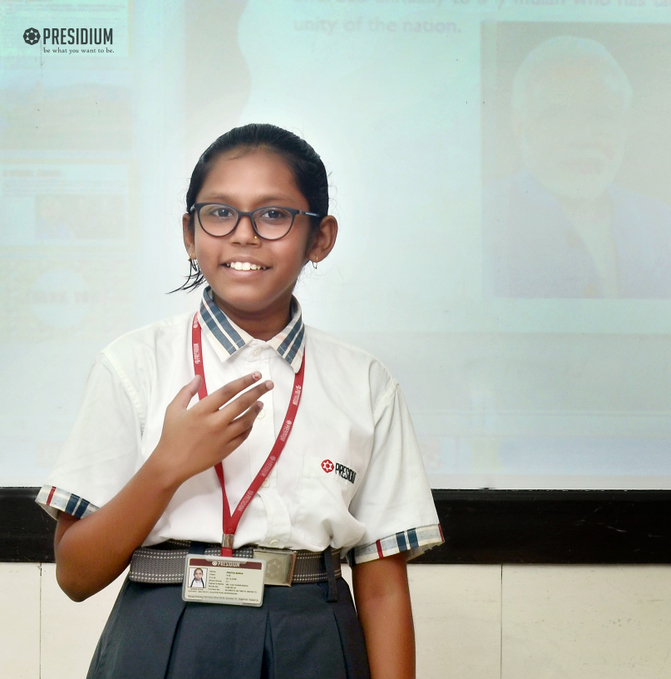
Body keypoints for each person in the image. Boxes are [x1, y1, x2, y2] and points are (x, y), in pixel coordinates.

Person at [36, 123, 442, 678]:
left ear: (320, 237)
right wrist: (167, 466)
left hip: (313, 635)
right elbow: (75, 577)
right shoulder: (132, 363)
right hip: (163, 633)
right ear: (189, 233)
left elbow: (382, 588)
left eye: (274, 215)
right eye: (220, 212)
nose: (244, 235)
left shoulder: (366, 382)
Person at [485, 35, 671, 299]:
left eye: (601, 116)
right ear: (519, 125)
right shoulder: (478, 221)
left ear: (624, 126)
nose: (581, 137)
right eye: (555, 115)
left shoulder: (668, 229)